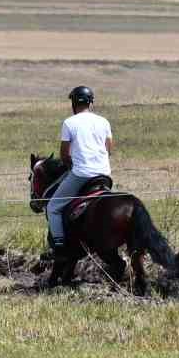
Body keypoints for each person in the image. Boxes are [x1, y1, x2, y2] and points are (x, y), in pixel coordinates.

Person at [46, 85, 114, 251]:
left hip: (81, 174)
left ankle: (59, 245)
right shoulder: (103, 121)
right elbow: (109, 149)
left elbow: (64, 155)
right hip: (105, 174)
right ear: (91, 103)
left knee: (53, 207)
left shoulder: (69, 123)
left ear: (74, 103)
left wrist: (71, 165)